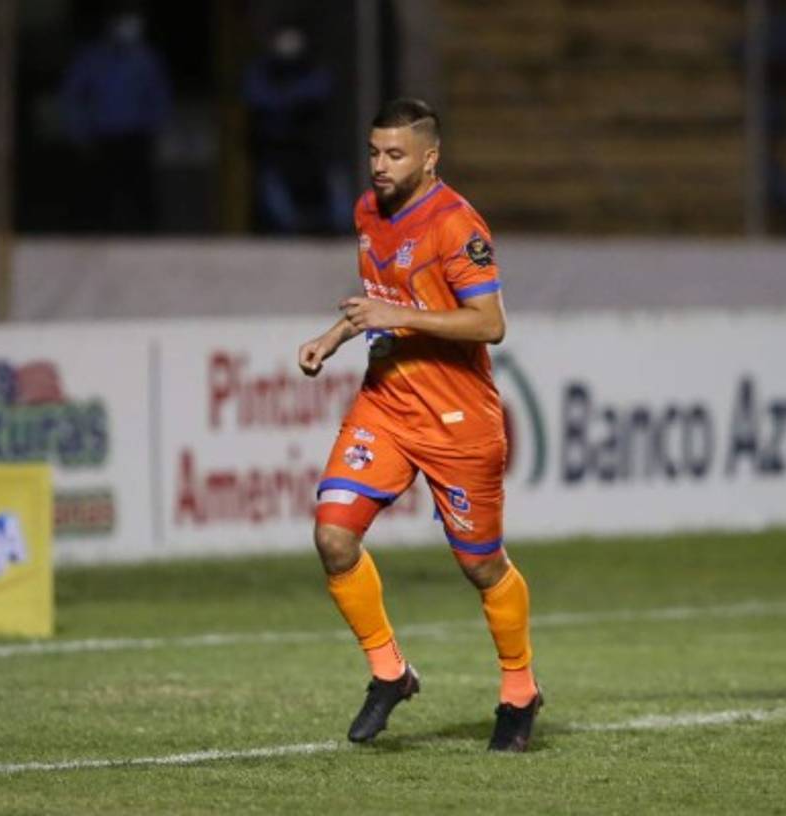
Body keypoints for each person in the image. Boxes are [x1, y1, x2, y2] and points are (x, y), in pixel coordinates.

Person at [297, 98, 540, 751]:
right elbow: (384, 305)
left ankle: (519, 691)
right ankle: (390, 672)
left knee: (482, 567)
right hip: (387, 403)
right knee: (333, 538)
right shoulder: (367, 212)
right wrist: (334, 335)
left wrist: (387, 317)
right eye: (374, 152)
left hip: (459, 418)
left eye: (395, 154)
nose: (379, 166)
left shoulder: (456, 226)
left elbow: (490, 324)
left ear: (429, 158)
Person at [59, 11, 172, 232]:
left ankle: (147, 234)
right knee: (100, 193)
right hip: (101, 136)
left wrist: (156, 128)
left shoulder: (146, 58)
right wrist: (78, 132)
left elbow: (159, 96)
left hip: (136, 137)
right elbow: (72, 96)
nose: (128, 27)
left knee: (141, 191)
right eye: (122, 22)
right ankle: (98, 237)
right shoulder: (91, 58)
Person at [242, 24, 349, 234]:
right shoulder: (263, 70)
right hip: (276, 147)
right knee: (270, 182)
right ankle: (286, 226)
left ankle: (342, 226)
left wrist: (287, 99)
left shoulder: (314, 68)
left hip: (313, 148)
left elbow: (321, 91)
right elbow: (256, 97)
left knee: (335, 178)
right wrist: (288, 101)